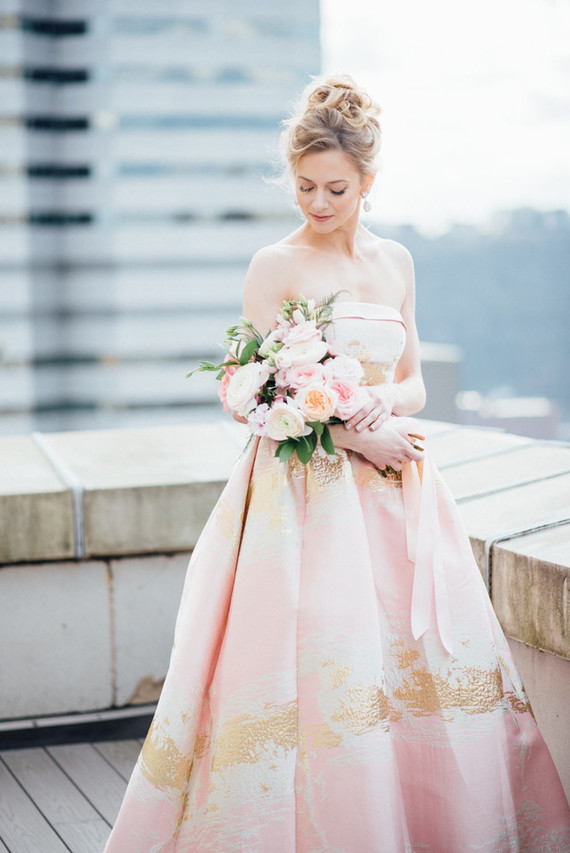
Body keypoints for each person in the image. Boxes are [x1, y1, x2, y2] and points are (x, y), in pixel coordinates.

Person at [104, 75, 570, 852]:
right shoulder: (274, 266)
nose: (317, 203)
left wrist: (389, 406)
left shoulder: (397, 264)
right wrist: (354, 436)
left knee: (409, 669)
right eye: (305, 186)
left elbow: (413, 379)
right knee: (322, 669)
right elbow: (254, 395)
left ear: (369, 183)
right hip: (307, 499)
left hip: (397, 498)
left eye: (336, 189)